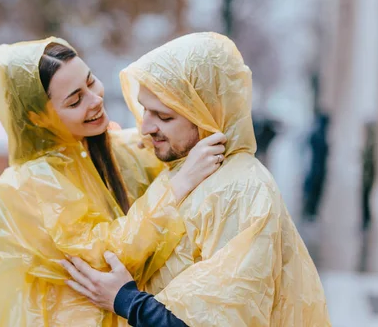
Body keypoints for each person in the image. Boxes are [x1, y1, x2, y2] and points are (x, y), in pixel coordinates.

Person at [62, 32, 331, 327]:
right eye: (145, 110)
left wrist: (125, 299)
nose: (146, 128)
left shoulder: (239, 191)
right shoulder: (190, 167)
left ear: (207, 115)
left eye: (164, 117)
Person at [0, 37, 226, 326]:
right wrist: (177, 186)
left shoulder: (114, 148)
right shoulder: (25, 186)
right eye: (75, 100)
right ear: (38, 117)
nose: (95, 99)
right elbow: (104, 258)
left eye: (91, 81)